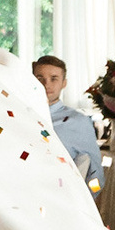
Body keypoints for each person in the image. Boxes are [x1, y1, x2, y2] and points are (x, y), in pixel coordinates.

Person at [32, 56, 102, 186]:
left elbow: (95, 172)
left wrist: (86, 202)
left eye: (54, 79)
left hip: (62, 193)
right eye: (40, 78)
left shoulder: (78, 122)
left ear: (64, 83)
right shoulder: (23, 116)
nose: (46, 84)